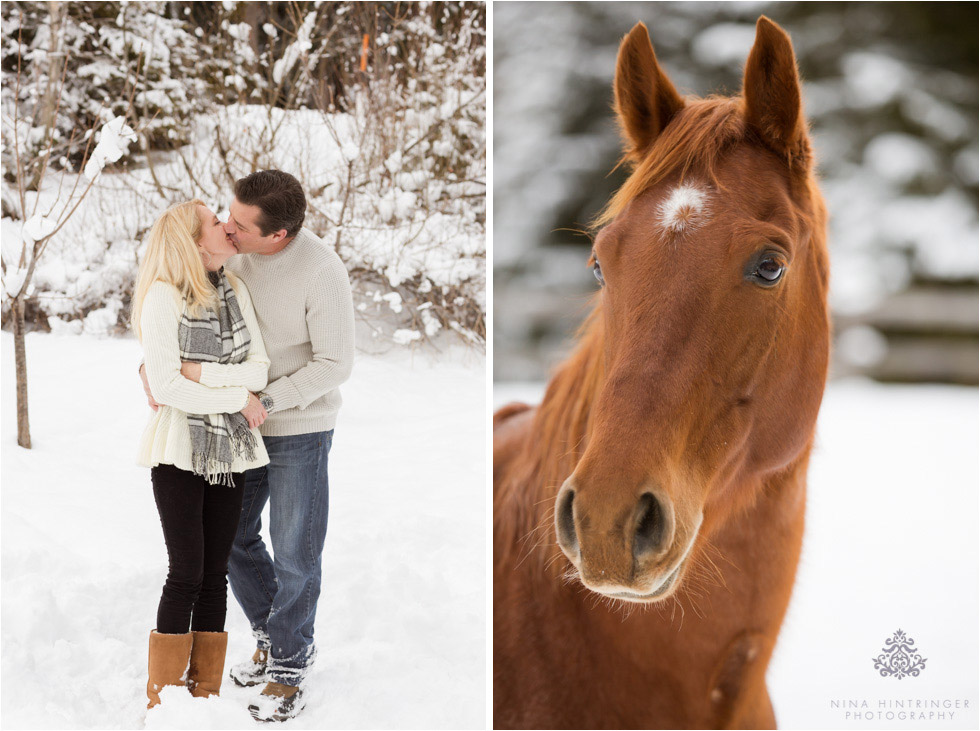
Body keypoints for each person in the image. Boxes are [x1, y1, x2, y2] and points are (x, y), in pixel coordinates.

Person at [140, 171, 355, 722]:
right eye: (226, 217)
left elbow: (336, 364)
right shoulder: (230, 255)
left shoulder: (321, 272)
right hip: (234, 425)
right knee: (231, 537)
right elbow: (185, 310)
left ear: (277, 235)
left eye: (239, 224)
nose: (228, 229)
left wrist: (264, 400)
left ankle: (288, 663)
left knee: (296, 551)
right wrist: (158, 366)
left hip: (298, 426)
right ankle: (269, 630)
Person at [131, 199, 271, 709]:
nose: (225, 227)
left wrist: (200, 373)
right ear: (194, 242)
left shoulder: (234, 289)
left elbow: (259, 368)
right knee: (186, 571)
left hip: (228, 453)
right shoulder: (163, 297)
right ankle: (163, 698)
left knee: (215, 576)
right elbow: (167, 387)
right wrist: (235, 397)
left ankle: (205, 693)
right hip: (180, 453)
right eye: (215, 223)